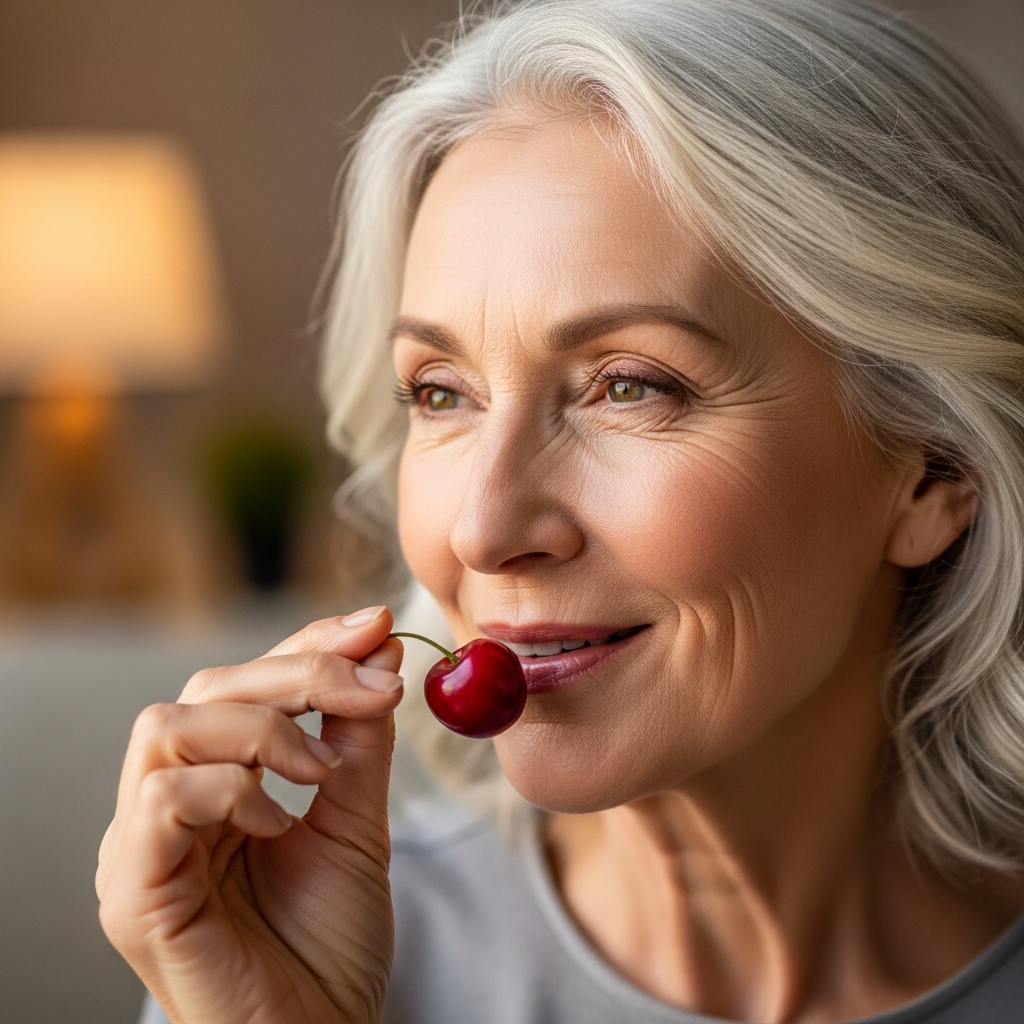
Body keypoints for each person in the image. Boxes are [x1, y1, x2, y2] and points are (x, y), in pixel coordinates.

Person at [98, 0, 1024, 1021]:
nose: (481, 530)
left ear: (933, 471)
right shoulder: (298, 954)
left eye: (628, 385)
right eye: (440, 392)